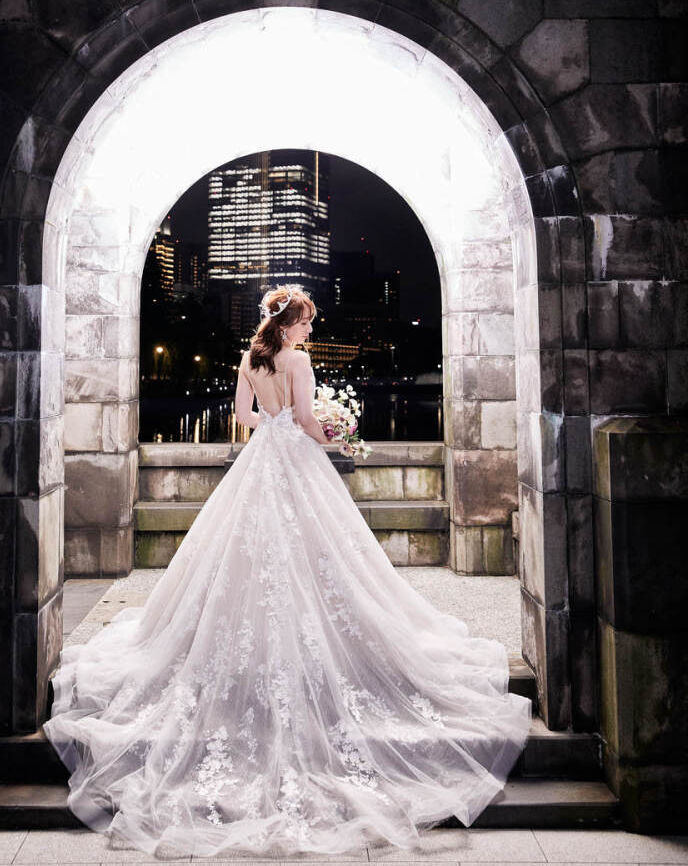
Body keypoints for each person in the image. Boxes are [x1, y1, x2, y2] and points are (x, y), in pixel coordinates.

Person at [43, 283, 531, 858]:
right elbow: (304, 419)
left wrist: (277, 425)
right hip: (296, 462)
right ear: (289, 324)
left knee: (242, 557)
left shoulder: (249, 359)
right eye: (305, 322)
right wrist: (339, 433)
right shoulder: (298, 361)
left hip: (260, 463)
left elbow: (246, 416)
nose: (309, 331)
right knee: (322, 554)